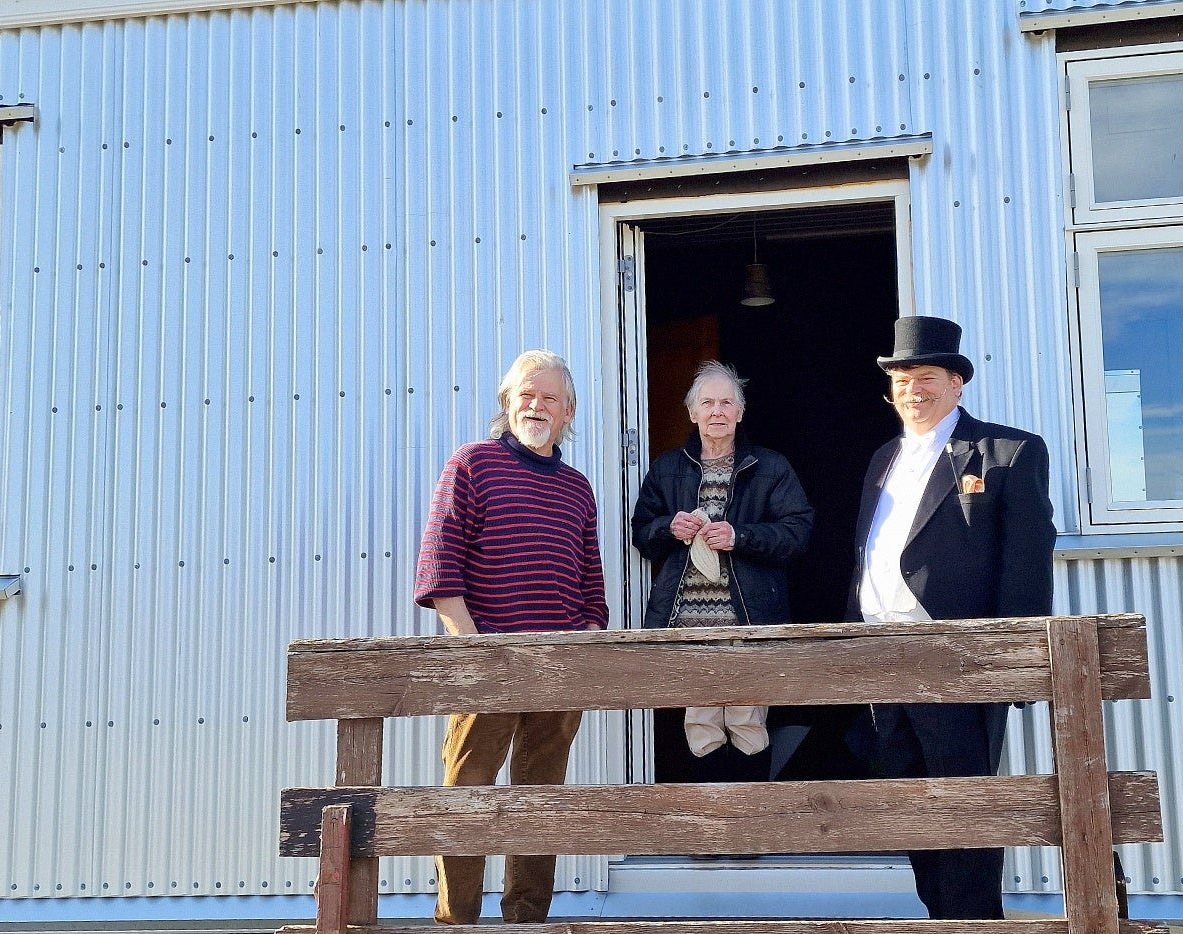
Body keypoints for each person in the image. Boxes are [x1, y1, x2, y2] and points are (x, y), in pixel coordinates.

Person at [848, 316, 1055, 920]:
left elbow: (1026, 562)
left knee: (967, 806)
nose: (916, 389)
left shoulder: (1007, 452)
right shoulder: (883, 458)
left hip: (960, 660)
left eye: (929, 376)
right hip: (879, 658)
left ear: (958, 383)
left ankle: (973, 925)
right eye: (904, 379)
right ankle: (944, 920)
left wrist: (1019, 661)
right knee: (910, 806)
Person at [414, 349, 607, 925]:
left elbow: (590, 582)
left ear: (569, 412)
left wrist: (585, 641)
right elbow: (438, 569)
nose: (537, 405)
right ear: (506, 401)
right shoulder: (471, 465)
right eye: (527, 393)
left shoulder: (577, 487)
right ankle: (458, 920)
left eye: (551, 398)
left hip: (558, 667)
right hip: (486, 661)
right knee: (468, 794)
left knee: (538, 801)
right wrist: (475, 648)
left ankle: (527, 918)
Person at [631, 361, 814, 783]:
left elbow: (798, 532)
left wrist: (741, 536)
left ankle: (747, 836)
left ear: (741, 412)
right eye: (707, 403)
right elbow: (643, 533)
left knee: (748, 722)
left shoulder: (770, 466)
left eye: (726, 402)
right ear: (692, 412)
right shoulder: (666, 468)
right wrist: (668, 527)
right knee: (701, 724)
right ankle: (712, 834)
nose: (717, 411)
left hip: (749, 623)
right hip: (690, 625)